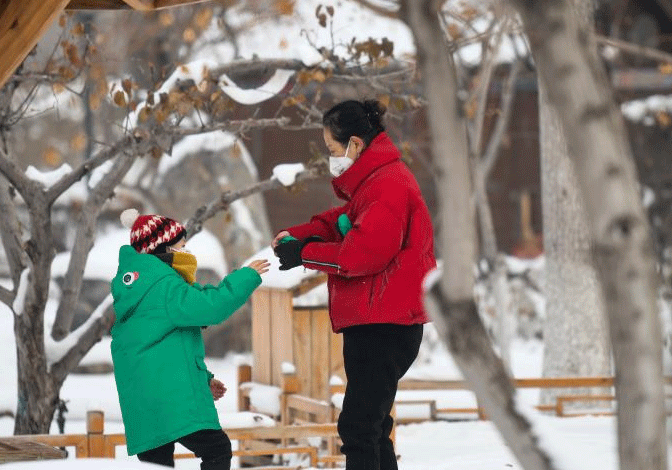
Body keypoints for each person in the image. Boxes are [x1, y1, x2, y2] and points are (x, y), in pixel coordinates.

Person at [272, 99, 435, 470]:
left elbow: (362, 254)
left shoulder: (388, 185)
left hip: (385, 325)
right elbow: (344, 220)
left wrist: (305, 254)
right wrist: (300, 236)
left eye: (333, 149)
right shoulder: (374, 184)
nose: (332, 157)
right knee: (372, 426)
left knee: (359, 427)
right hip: (379, 320)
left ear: (356, 144)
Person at [112, 209, 269, 470]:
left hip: (145, 404)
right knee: (217, 450)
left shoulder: (138, 289)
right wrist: (246, 277)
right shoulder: (164, 286)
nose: (187, 252)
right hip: (171, 400)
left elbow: (165, 346)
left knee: (158, 465)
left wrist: (203, 379)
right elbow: (210, 306)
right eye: (182, 246)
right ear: (163, 248)